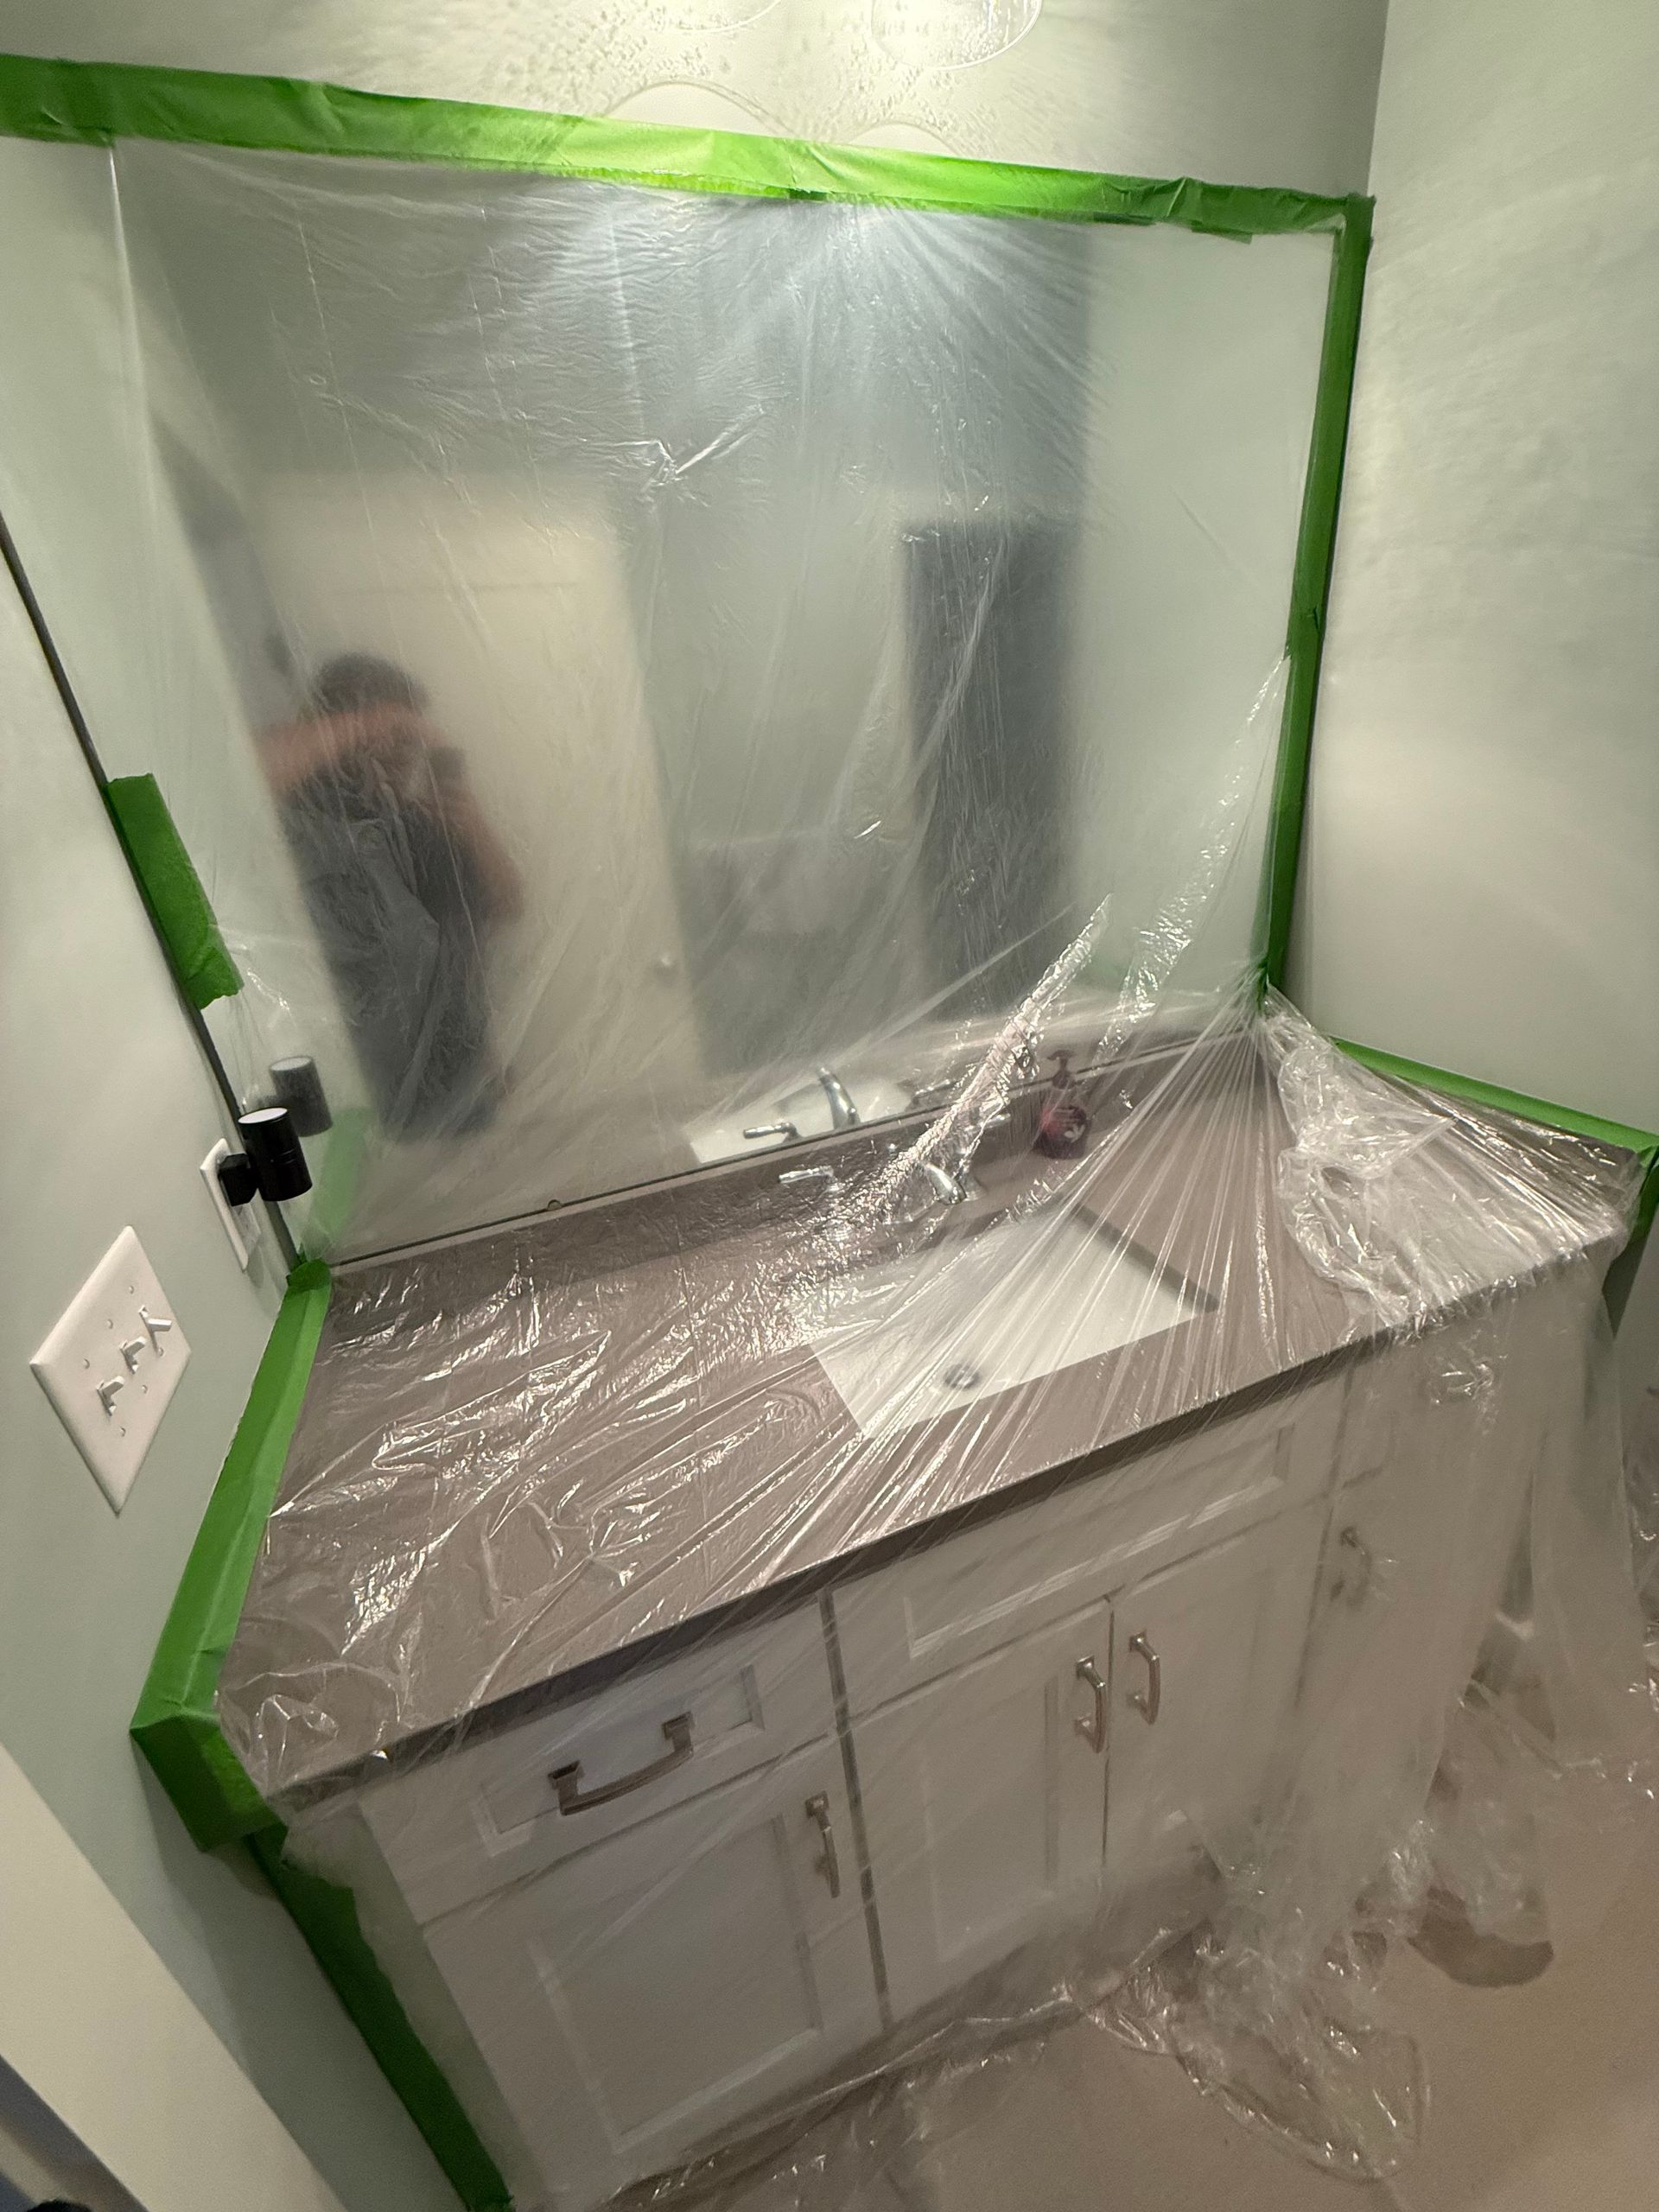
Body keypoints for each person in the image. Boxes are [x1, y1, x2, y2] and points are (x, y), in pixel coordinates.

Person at [263, 653, 523, 1136]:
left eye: (411, 735)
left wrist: (471, 820)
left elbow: (507, 906)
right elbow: (251, 770)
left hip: (462, 1087)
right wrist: (377, 721)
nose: (404, 747)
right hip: (366, 1106)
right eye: (390, 730)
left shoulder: (415, 826)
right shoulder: (300, 826)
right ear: (339, 725)